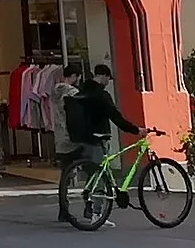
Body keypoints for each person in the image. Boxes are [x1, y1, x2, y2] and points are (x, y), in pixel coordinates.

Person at [57, 62, 144, 225]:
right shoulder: (101, 95)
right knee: (99, 176)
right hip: (97, 139)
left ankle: (87, 206)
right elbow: (115, 117)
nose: (108, 82)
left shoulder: (80, 91)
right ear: (103, 76)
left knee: (92, 174)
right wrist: (136, 130)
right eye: (108, 79)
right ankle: (97, 214)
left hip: (80, 139)